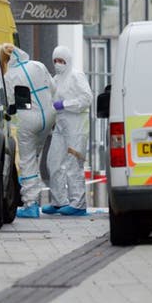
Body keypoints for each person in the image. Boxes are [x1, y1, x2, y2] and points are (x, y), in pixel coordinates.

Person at [0, 43, 56, 219]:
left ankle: (31, 204)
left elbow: (8, 102)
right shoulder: (38, 65)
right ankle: (36, 195)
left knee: (27, 160)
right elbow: (53, 88)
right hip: (49, 115)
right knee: (36, 156)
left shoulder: (9, 76)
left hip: (28, 119)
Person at [43, 45, 93, 217]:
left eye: (61, 60)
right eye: (55, 61)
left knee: (73, 164)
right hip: (61, 127)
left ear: (68, 61)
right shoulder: (55, 79)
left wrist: (65, 104)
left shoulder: (76, 76)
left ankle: (78, 204)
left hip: (77, 127)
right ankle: (59, 201)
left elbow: (87, 98)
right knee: (53, 162)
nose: (58, 64)